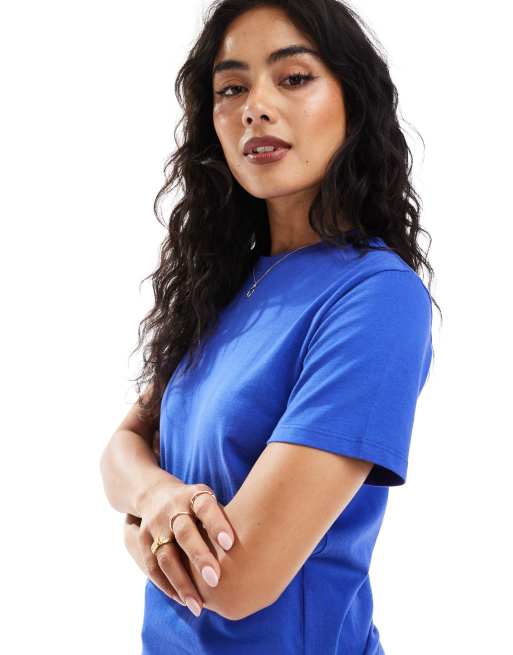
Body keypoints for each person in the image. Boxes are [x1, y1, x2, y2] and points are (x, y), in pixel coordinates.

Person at [99, 1, 441, 653]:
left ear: (352, 100)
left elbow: (236, 581)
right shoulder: (221, 284)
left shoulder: (376, 297)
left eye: (293, 78)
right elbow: (121, 451)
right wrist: (159, 500)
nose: (254, 107)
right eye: (231, 88)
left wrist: (141, 522)